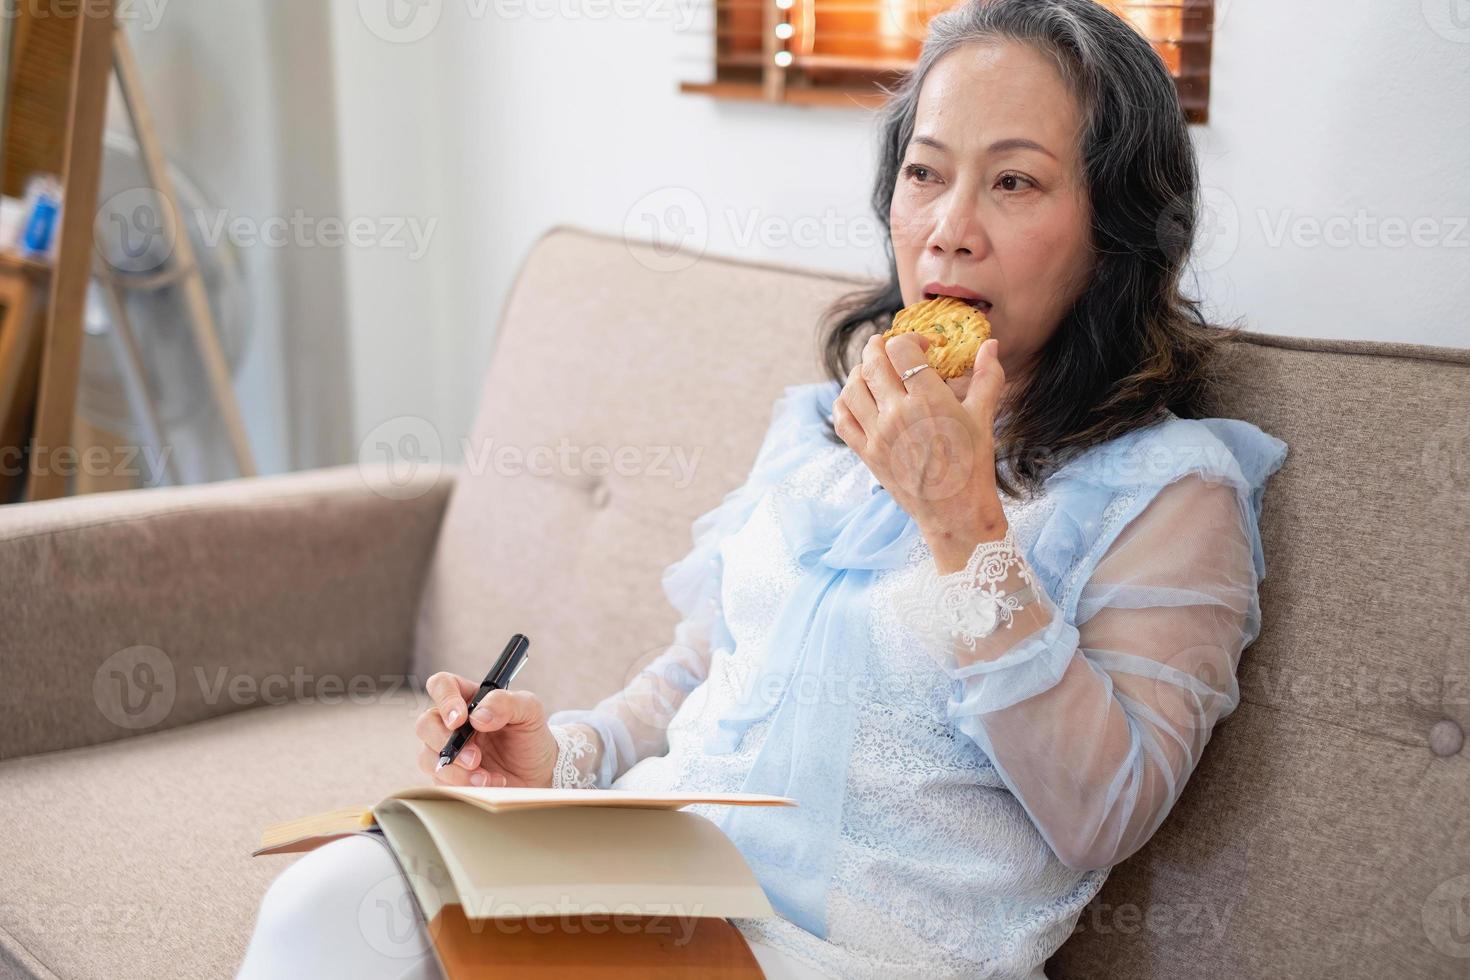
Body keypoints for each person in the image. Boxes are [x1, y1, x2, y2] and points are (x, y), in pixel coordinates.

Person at [238, 0, 1288, 977]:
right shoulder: (821, 427)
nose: (948, 227)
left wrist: (963, 524)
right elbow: (709, 666)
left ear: (1116, 232)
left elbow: (1103, 810)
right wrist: (561, 751)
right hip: (659, 874)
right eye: (925, 174)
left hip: (838, 951)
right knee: (333, 895)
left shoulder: (1168, 490)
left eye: (1014, 182)